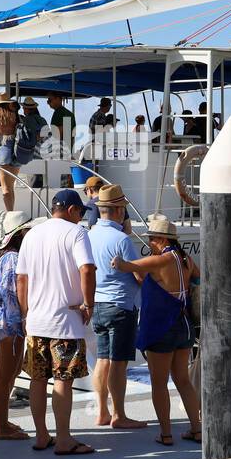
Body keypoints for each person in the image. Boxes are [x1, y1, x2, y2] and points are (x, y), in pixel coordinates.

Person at [17, 189, 97, 456]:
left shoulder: (32, 234)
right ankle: (64, 439)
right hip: (66, 320)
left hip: (37, 321)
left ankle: (42, 436)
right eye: (81, 212)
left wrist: (26, 312)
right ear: (73, 210)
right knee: (64, 379)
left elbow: (22, 280)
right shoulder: (76, 233)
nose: (81, 217)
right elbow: (87, 268)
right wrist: (88, 303)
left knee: (38, 379)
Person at [112, 215, 201, 446]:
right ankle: (196, 428)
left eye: (151, 238)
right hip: (184, 327)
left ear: (161, 239)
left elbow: (125, 265)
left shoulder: (160, 260)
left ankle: (166, 434)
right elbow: (198, 278)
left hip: (162, 327)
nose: (149, 242)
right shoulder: (186, 260)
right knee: (183, 379)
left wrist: (117, 257)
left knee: (159, 383)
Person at [88, 184, 148, 430]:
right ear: (118, 210)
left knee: (102, 360)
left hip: (98, 303)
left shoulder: (89, 235)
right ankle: (119, 414)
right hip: (120, 304)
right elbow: (139, 276)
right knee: (119, 362)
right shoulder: (122, 239)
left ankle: (102, 411)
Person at [0, 211, 33, 441]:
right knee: (5, 376)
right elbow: (11, 292)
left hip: (6, 322)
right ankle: (1, 424)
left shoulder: (5, 255)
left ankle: (0, 420)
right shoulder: (13, 258)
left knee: (9, 373)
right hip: (11, 323)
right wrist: (23, 318)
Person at [47, 91, 76, 156]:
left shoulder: (58, 113)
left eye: (50, 100)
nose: (48, 103)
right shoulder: (70, 114)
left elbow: (58, 132)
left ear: (58, 99)